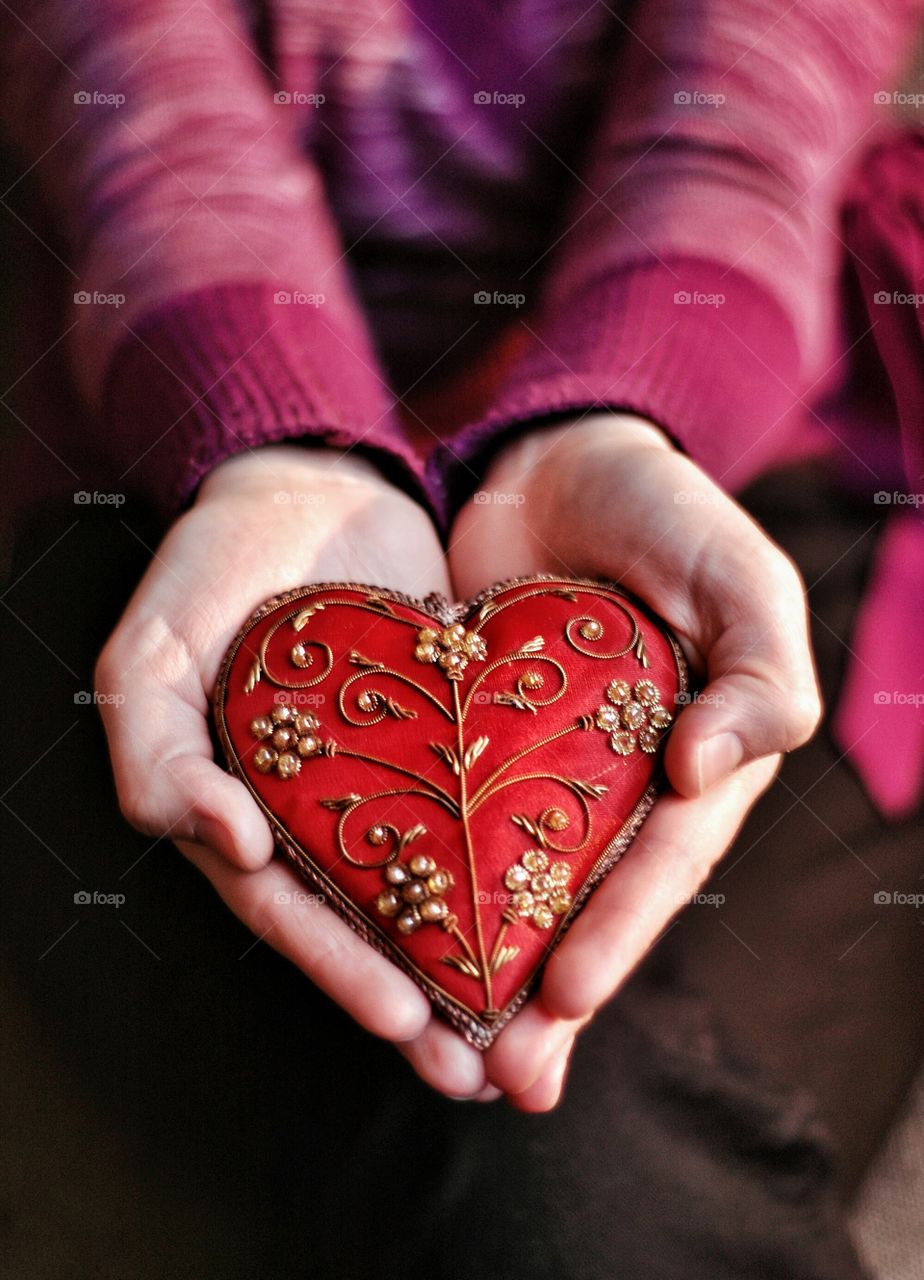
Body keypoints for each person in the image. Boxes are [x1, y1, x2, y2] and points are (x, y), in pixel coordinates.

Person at [1, 2, 922, 1275]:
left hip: (736, 462)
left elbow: (756, 84)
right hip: (156, 456)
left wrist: (629, 406)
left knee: (608, 1191)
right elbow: (130, 83)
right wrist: (270, 428)